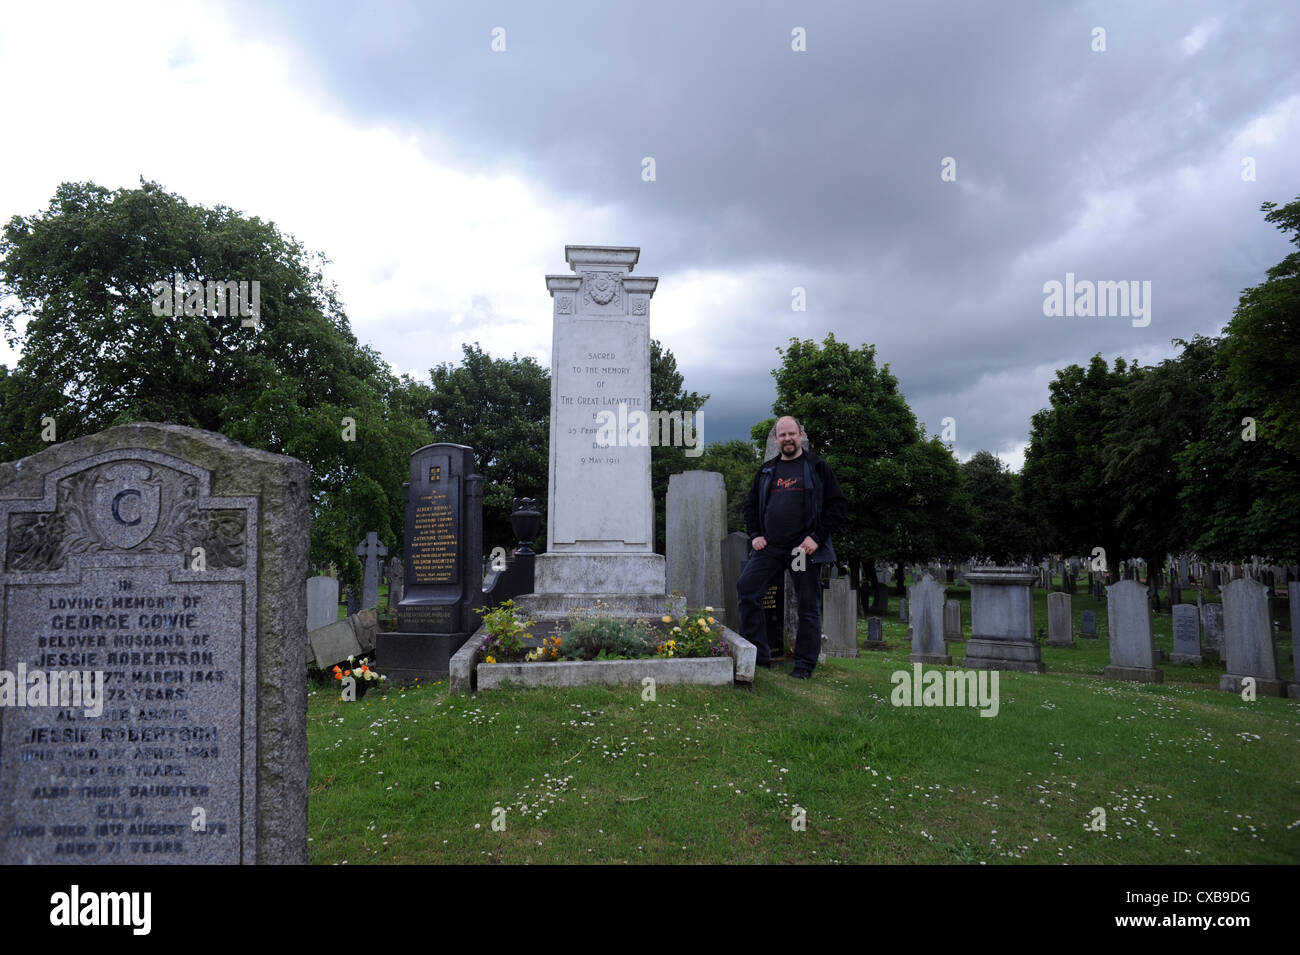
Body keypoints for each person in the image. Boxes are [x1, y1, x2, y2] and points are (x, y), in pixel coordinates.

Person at [737, 416, 848, 678]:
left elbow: (838, 505)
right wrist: (754, 535)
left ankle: (804, 666)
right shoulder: (767, 470)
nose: (787, 439)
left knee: (807, 604)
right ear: (776, 439)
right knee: (747, 589)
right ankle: (760, 657)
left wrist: (816, 538)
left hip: (801, 550)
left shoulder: (816, 466)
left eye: (792, 434)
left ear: (801, 434)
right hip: (771, 548)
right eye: (782, 435)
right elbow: (750, 505)